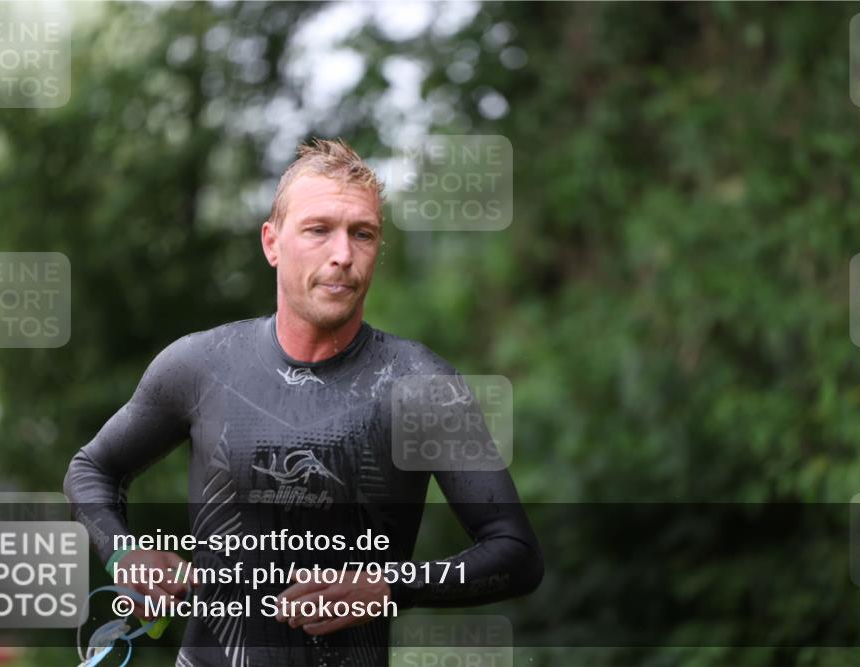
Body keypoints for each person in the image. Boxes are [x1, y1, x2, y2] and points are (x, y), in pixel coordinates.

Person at [64, 138, 544, 667]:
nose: (342, 254)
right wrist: (125, 555)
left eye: (362, 234)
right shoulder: (202, 365)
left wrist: (390, 585)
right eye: (318, 230)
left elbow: (516, 555)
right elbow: (92, 470)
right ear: (272, 243)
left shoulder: (419, 385)